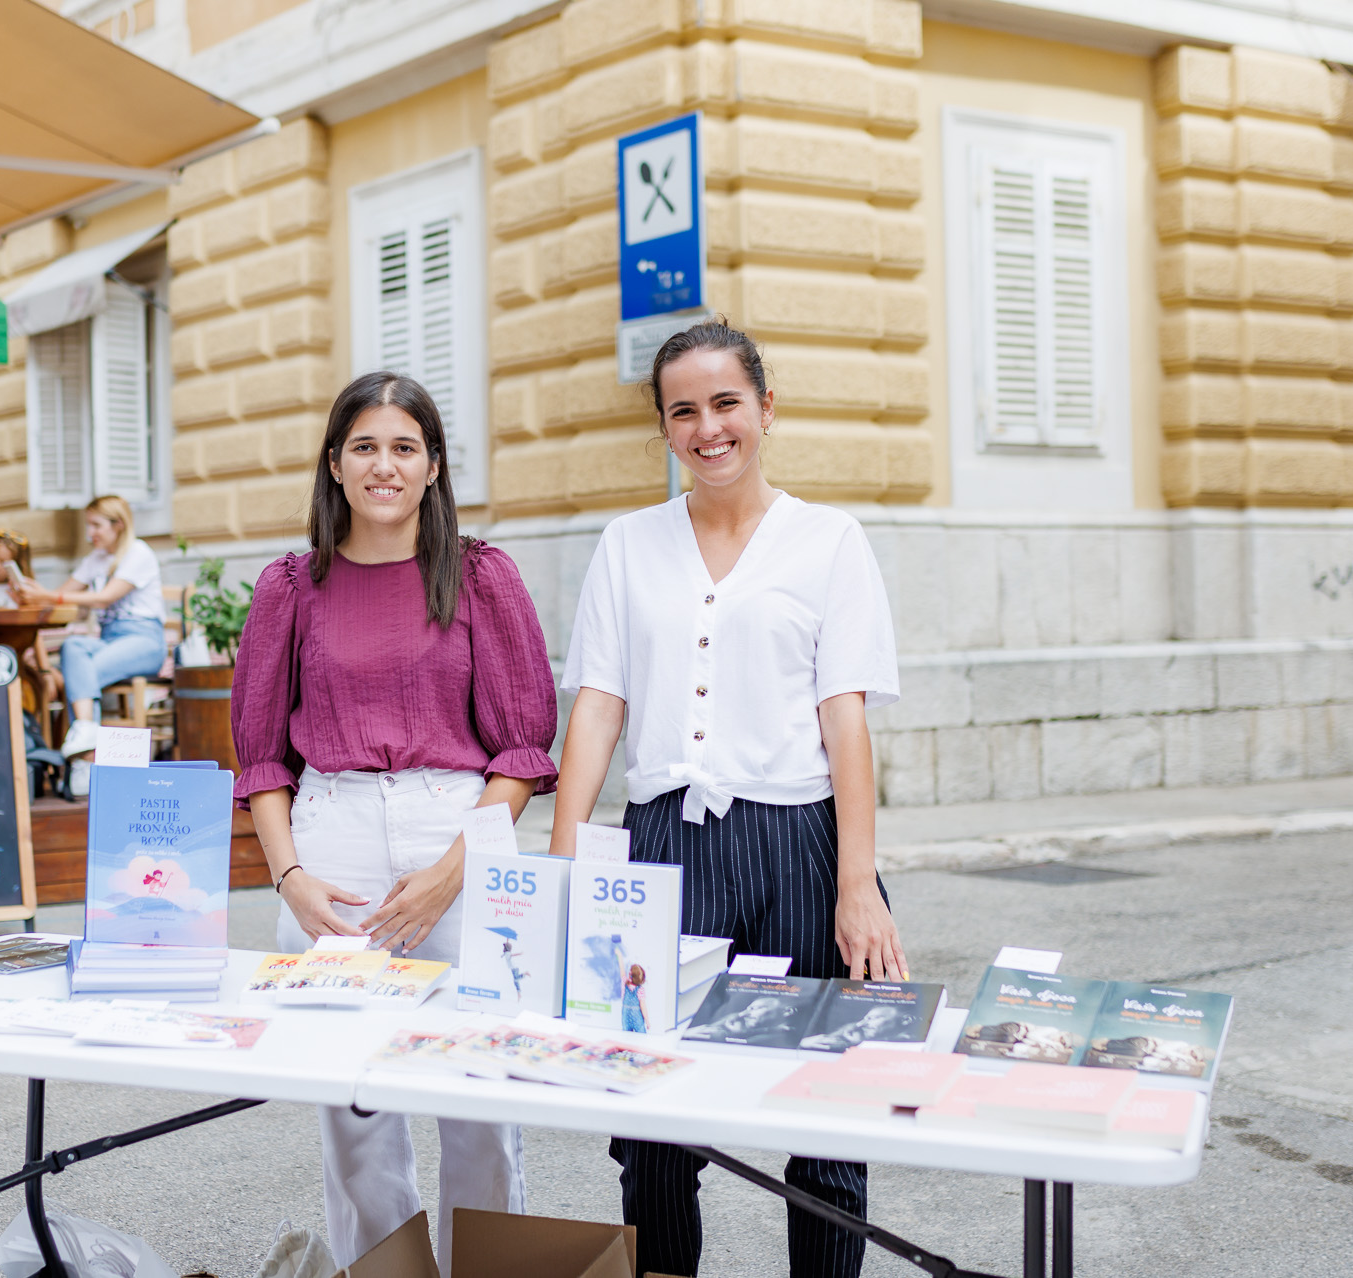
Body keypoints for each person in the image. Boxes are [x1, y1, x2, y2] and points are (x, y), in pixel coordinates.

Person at [550, 317, 906, 1278]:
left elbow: (845, 720)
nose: (708, 427)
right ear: (664, 428)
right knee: (653, 1124)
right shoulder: (629, 545)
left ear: (765, 408)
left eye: (726, 403)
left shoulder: (829, 541)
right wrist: (565, 858)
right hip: (664, 848)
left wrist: (858, 883)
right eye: (684, 411)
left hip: (801, 844)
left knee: (825, 1119)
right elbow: (598, 707)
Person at [232, 371, 558, 1274]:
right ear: (335, 464)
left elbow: (524, 748)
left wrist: (457, 866)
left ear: (433, 464)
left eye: (403, 448)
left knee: (479, 1088)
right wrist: (291, 878)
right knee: (355, 1102)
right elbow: (262, 759)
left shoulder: (484, 577)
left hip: (459, 824)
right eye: (365, 447)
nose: (385, 466)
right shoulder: (290, 587)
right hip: (328, 830)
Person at [16, 495, 166, 763]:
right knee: (73, 647)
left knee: (80, 675)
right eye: (89, 526)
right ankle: (86, 733)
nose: (89, 534)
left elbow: (103, 598)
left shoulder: (138, 552)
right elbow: (61, 594)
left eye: (96, 526)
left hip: (144, 641)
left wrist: (50, 596)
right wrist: (30, 594)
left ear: (118, 524)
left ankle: (86, 758)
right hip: (109, 641)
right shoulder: (96, 559)